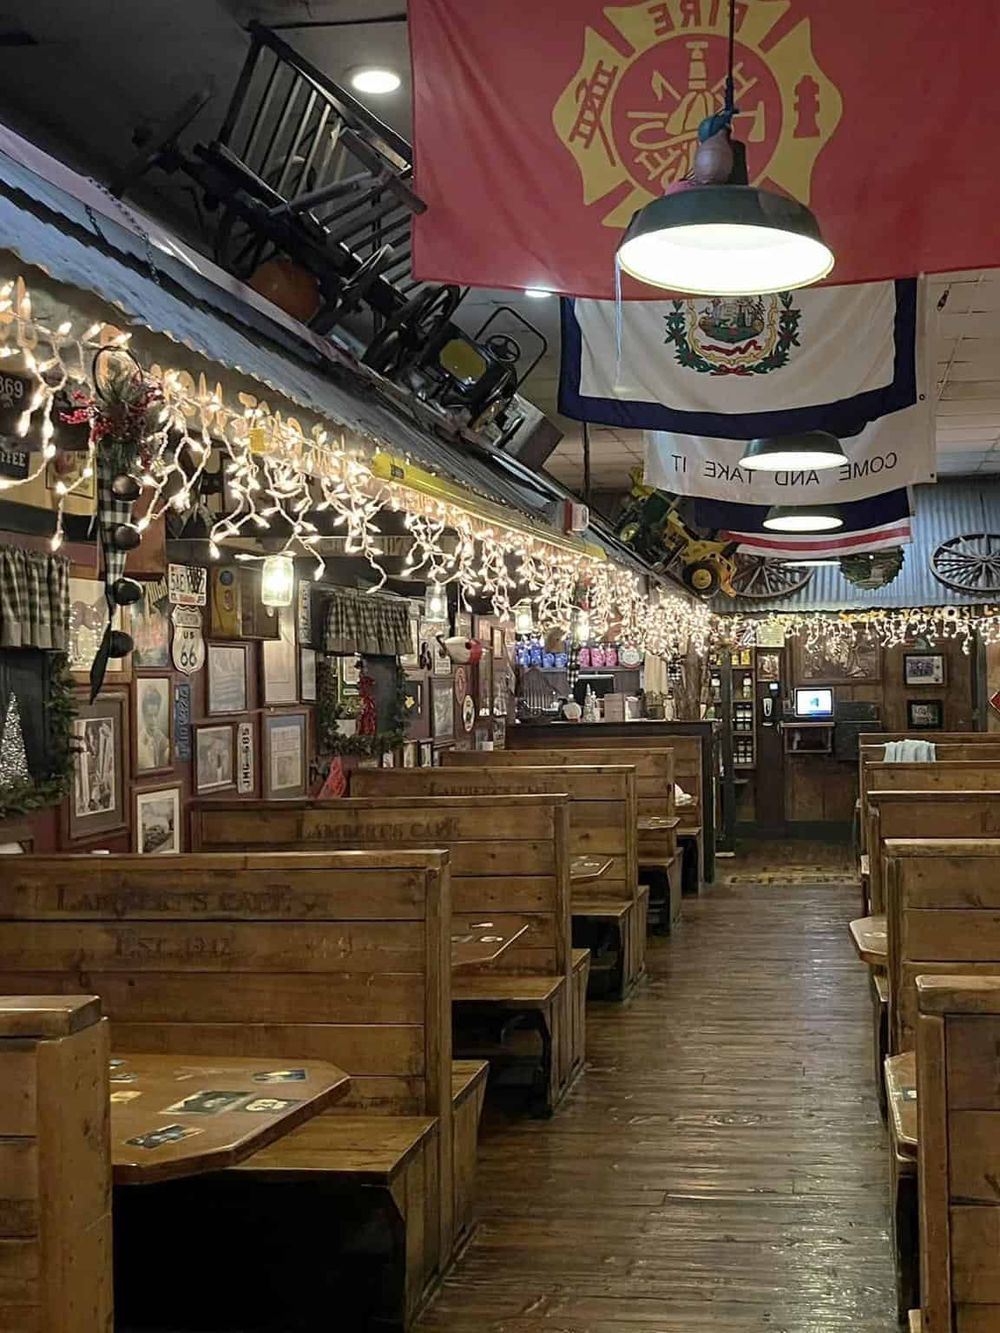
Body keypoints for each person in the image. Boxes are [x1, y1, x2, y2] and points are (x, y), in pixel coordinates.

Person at [137, 687, 170, 770]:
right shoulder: (140, 740)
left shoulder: (159, 735)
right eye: (149, 716)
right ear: (144, 716)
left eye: (155, 715)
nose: (153, 721)